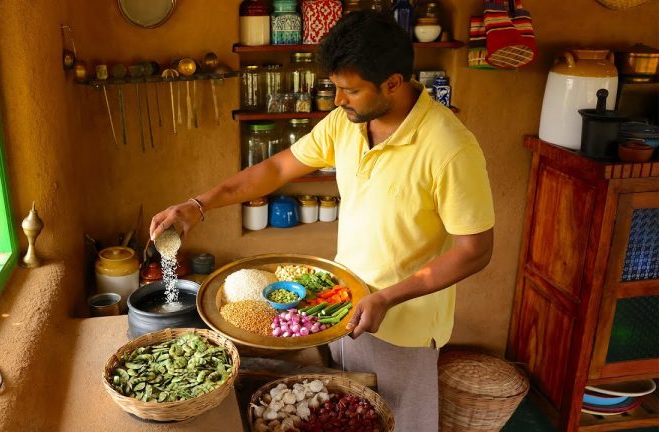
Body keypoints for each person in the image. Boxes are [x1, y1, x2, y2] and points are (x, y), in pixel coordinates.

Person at [150, 10, 494, 431]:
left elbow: (474, 250)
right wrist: (198, 205)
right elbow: (276, 169)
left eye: (349, 90)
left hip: (404, 325)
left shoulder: (450, 147)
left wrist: (386, 298)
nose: (337, 101)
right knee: (349, 416)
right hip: (344, 303)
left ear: (392, 83)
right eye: (334, 87)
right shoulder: (345, 124)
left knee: (400, 422)